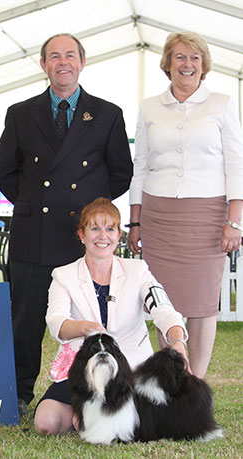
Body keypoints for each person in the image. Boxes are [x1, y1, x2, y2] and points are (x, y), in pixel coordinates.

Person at [0, 33, 133, 415]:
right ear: (44, 65)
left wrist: (90, 214)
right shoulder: (21, 112)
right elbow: (2, 171)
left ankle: (92, 393)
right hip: (33, 234)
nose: (63, 62)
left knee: (89, 321)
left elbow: (121, 174)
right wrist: (32, 203)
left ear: (82, 63)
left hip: (83, 240)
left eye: (70, 55)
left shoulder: (107, 114)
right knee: (26, 320)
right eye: (54, 56)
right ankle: (19, 394)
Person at [127, 32, 243, 379]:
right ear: (168, 64)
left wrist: (234, 221)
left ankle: (197, 382)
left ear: (203, 64)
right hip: (159, 216)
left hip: (207, 215)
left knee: (203, 304)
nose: (187, 64)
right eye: (179, 57)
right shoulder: (149, 106)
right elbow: (141, 166)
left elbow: (236, 164)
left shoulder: (222, 103)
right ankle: (172, 379)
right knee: (165, 301)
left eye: (194, 57)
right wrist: (135, 223)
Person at [34, 198, 188, 435]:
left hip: (130, 372)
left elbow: (163, 309)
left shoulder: (138, 271)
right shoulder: (63, 276)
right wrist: (88, 328)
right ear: (82, 235)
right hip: (85, 372)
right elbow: (57, 324)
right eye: (94, 228)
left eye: (109, 229)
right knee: (46, 423)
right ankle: (86, 413)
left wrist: (177, 341)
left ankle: (97, 417)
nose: (102, 236)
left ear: (118, 236)